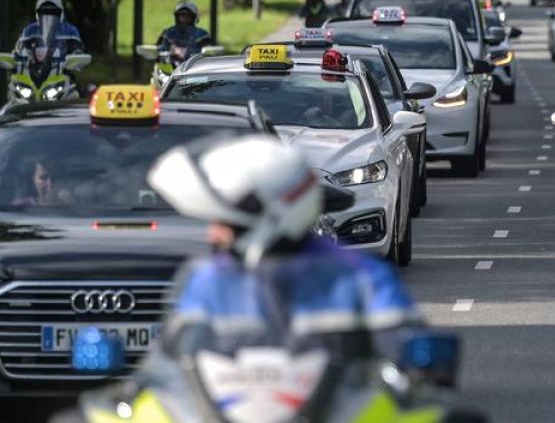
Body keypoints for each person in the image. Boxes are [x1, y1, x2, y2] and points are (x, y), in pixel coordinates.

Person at [147, 136, 422, 359]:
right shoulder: (209, 281)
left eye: (226, 223)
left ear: (270, 218)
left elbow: (409, 361)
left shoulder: (361, 279)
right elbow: (172, 363)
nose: (213, 233)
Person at [15, 0, 84, 61]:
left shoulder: (70, 30)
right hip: (33, 70)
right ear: (37, 14)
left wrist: (75, 56)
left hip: (62, 69)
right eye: (43, 12)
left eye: (53, 12)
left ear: (61, 13)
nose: (48, 16)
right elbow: (19, 50)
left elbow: (77, 51)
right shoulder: (29, 30)